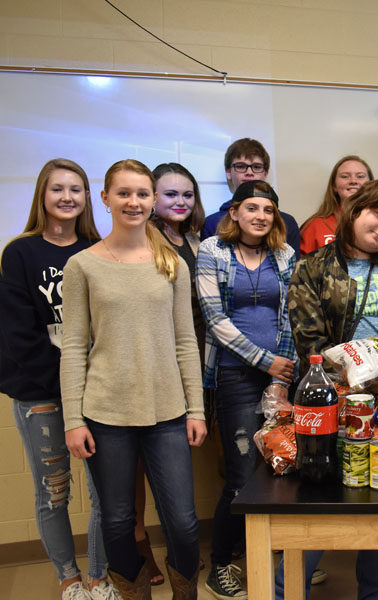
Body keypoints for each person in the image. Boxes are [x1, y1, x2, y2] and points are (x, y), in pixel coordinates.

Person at [60, 159, 206, 599]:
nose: (134, 202)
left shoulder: (172, 264)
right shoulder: (82, 265)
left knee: (182, 521)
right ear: (104, 199)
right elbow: (73, 347)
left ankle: (185, 592)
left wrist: (195, 408)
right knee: (119, 520)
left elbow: (185, 341)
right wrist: (73, 419)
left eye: (142, 194)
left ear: (152, 201)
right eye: (124, 193)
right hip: (105, 413)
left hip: (167, 412)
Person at [281, 179, 378, 600]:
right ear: (354, 210)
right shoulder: (312, 268)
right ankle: (284, 591)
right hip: (340, 403)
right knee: (317, 505)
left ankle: (377, 593)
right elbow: (313, 349)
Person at [0, 159, 120, 600]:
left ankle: (99, 576)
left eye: (76, 188)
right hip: (41, 393)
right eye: (57, 189)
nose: (67, 197)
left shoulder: (98, 248)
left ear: (89, 197)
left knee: (107, 493)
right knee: (54, 493)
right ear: (42, 196)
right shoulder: (21, 252)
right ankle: (69, 579)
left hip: (98, 393)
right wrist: (64, 383)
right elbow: (18, 333)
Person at [196, 180, 298, 600]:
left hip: (279, 376)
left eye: (268, 210)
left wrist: (280, 376)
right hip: (234, 375)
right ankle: (221, 564)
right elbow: (214, 318)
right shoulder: (211, 252)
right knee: (240, 476)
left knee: (280, 466)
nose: (260, 216)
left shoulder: (286, 255)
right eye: (251, 207)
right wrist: (265, 362)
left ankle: (275, 561)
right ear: (234, 212)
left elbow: (291, 315)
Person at [121, 162, 208, 587]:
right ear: (153, 198)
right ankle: (142, 552)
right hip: (151, 363)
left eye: (187, 195)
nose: (180, 202)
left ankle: (181, 558)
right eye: (170, 194)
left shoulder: (193, 238)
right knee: (137, 467)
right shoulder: (144, 240)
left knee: (173, 476)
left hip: (188, 357)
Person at [201, 137, 302, 254]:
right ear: (228, 172)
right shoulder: (212, 223)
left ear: (265, 173)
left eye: (256, 167)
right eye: (240, 166)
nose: (249, 172)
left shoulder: (286, 222)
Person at [299, 155, 373, 256]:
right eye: (345, 176)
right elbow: (302, 269)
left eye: (360, 176)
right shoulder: (315, 225)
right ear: (334, 186)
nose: (353, 181)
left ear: (371, 184)